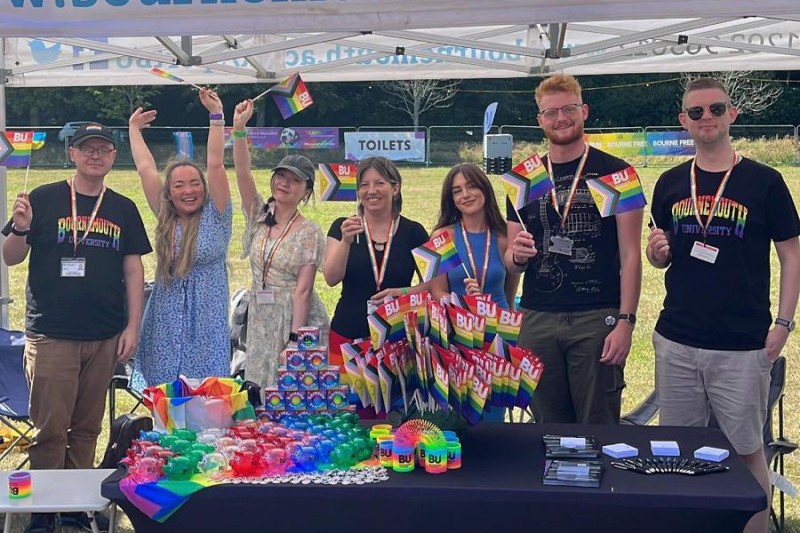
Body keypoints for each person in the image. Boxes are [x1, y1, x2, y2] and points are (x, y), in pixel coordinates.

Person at [647, 77, 800, 533]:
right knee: (679, 447)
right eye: (696, 112)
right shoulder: (672, 183)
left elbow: (791, 253)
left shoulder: (765, 181)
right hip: (678, 339)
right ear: (683, 122)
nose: (706, 118)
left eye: (715, 109)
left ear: (732, 114)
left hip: (741, 342)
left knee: (747, 448)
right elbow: (663, 254)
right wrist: (659, 254)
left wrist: (784, 323)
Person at [2, 123, 151, 533]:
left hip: (103, 335)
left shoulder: (122, 207)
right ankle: (40, 512)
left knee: (86, 429)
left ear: (112, 157)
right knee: (50, 430)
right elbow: (11, 257)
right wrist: (18, 226)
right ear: (73, 154)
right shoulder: (43, 198)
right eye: (88, 149)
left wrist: (131, 327)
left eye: (104, 149)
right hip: (52, 333)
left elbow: (134, 268)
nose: (96, 155)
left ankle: (73, 508)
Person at [504, 73, 643, 425]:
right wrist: (516, 256)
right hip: (538, 316)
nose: (560, 118)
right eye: (550, 113)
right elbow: (511, 260)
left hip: (596, 316)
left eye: (568, 109)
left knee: (599, 425)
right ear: (540, 121)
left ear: (584, 111)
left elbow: (630, 255)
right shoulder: (524, 177)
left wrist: (626, 322)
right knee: (547, 426)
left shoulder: (617, 173)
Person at [127, 88, 232, 391]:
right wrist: (134, 129)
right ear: (169, 193)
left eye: (194, 184)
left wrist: (216, 116)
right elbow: (146, 169)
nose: (188, 191)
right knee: (165, 396)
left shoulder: (218, 213)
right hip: (165, 320)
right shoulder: (166, 216)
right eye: (179, 185)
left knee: (207, 396)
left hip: (207, 321)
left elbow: (215, 164)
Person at [232, 99, 329, 391]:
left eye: (295, 181)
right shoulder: (259, 215)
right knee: (261, 392)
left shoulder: (309, 231)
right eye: (281, 176)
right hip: (261, 317)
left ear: (307, 190)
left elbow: (304, 290)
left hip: (294, 318)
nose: (284, 184)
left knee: (294, 394)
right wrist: (239, 129)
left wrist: (295, 339)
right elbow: (242, 173)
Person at [323, 157, 429, 387]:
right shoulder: (343, 226)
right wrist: (346, 242)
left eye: (379, 183)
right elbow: (331, 278)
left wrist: (403, 292)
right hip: (347, 334)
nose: (371, 191)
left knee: (391, 413)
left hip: (397, 338)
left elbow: (434, 286)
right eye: (364, 184)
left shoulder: (414, 232)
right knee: (347, 412)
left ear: (395, 188)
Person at [431, 163, 519, 309]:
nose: (465, 194)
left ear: (484, 188)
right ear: (452, 199)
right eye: (457, 191)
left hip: (499, 326)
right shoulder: (442, 237)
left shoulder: (505, 237)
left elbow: (510, 297)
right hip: (459, 325)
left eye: (472, 186)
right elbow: (437, 292)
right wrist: (464, 303)